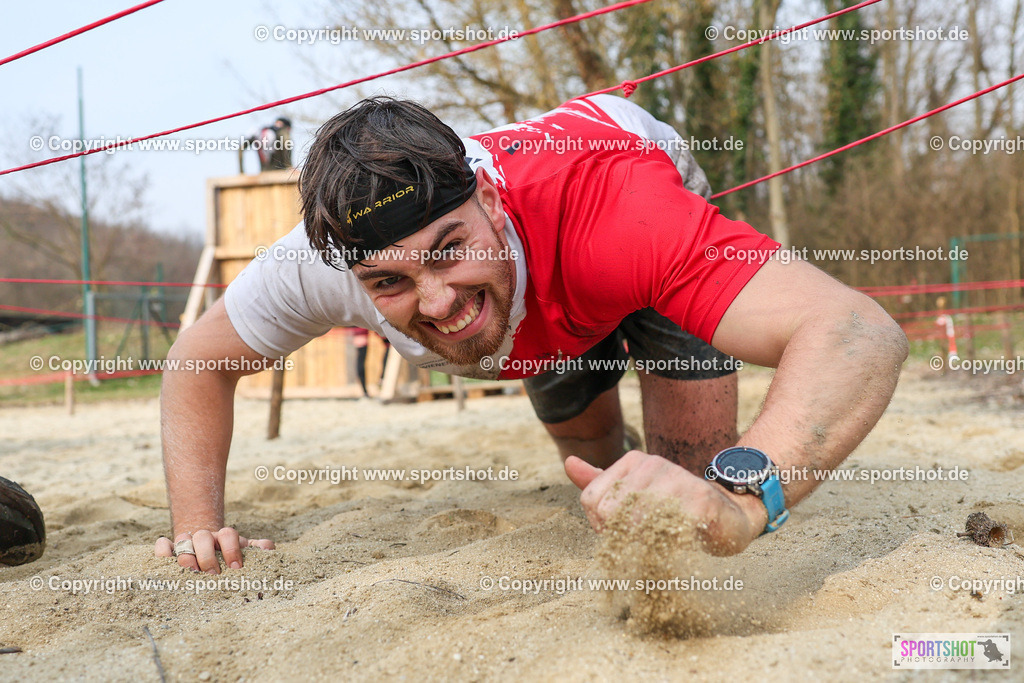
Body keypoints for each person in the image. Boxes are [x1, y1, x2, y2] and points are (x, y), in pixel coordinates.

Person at [155, 95, 907, 573]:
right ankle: (590, 419)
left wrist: (745, 502)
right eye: (391, 281)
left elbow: (857, 332)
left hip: (613, 238)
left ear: (488, 198)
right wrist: (198, 527)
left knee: (690, 519)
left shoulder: (623, 218)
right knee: (598, 469)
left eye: (449, 249)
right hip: (533, 313)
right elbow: (196, 361)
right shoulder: (315, 264)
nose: (439, 300)